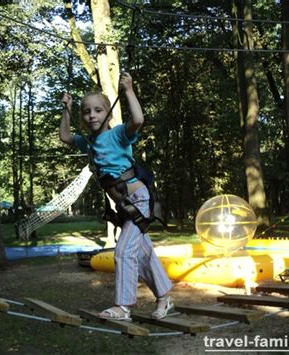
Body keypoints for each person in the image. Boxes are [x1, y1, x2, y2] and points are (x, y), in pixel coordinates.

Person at [59, 72, 173, 321]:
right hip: (124, 206)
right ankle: (165, 297)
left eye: (98, 110)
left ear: (108, 115)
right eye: (87, 112)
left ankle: (123, 307)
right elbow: (65, 137)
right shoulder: (88, 143)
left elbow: (139, 119)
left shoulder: (118, 134)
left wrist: (129, 90)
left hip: (139, 200)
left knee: (123, 252)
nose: (92, 115)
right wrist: (65, 110)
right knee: (143, 253)